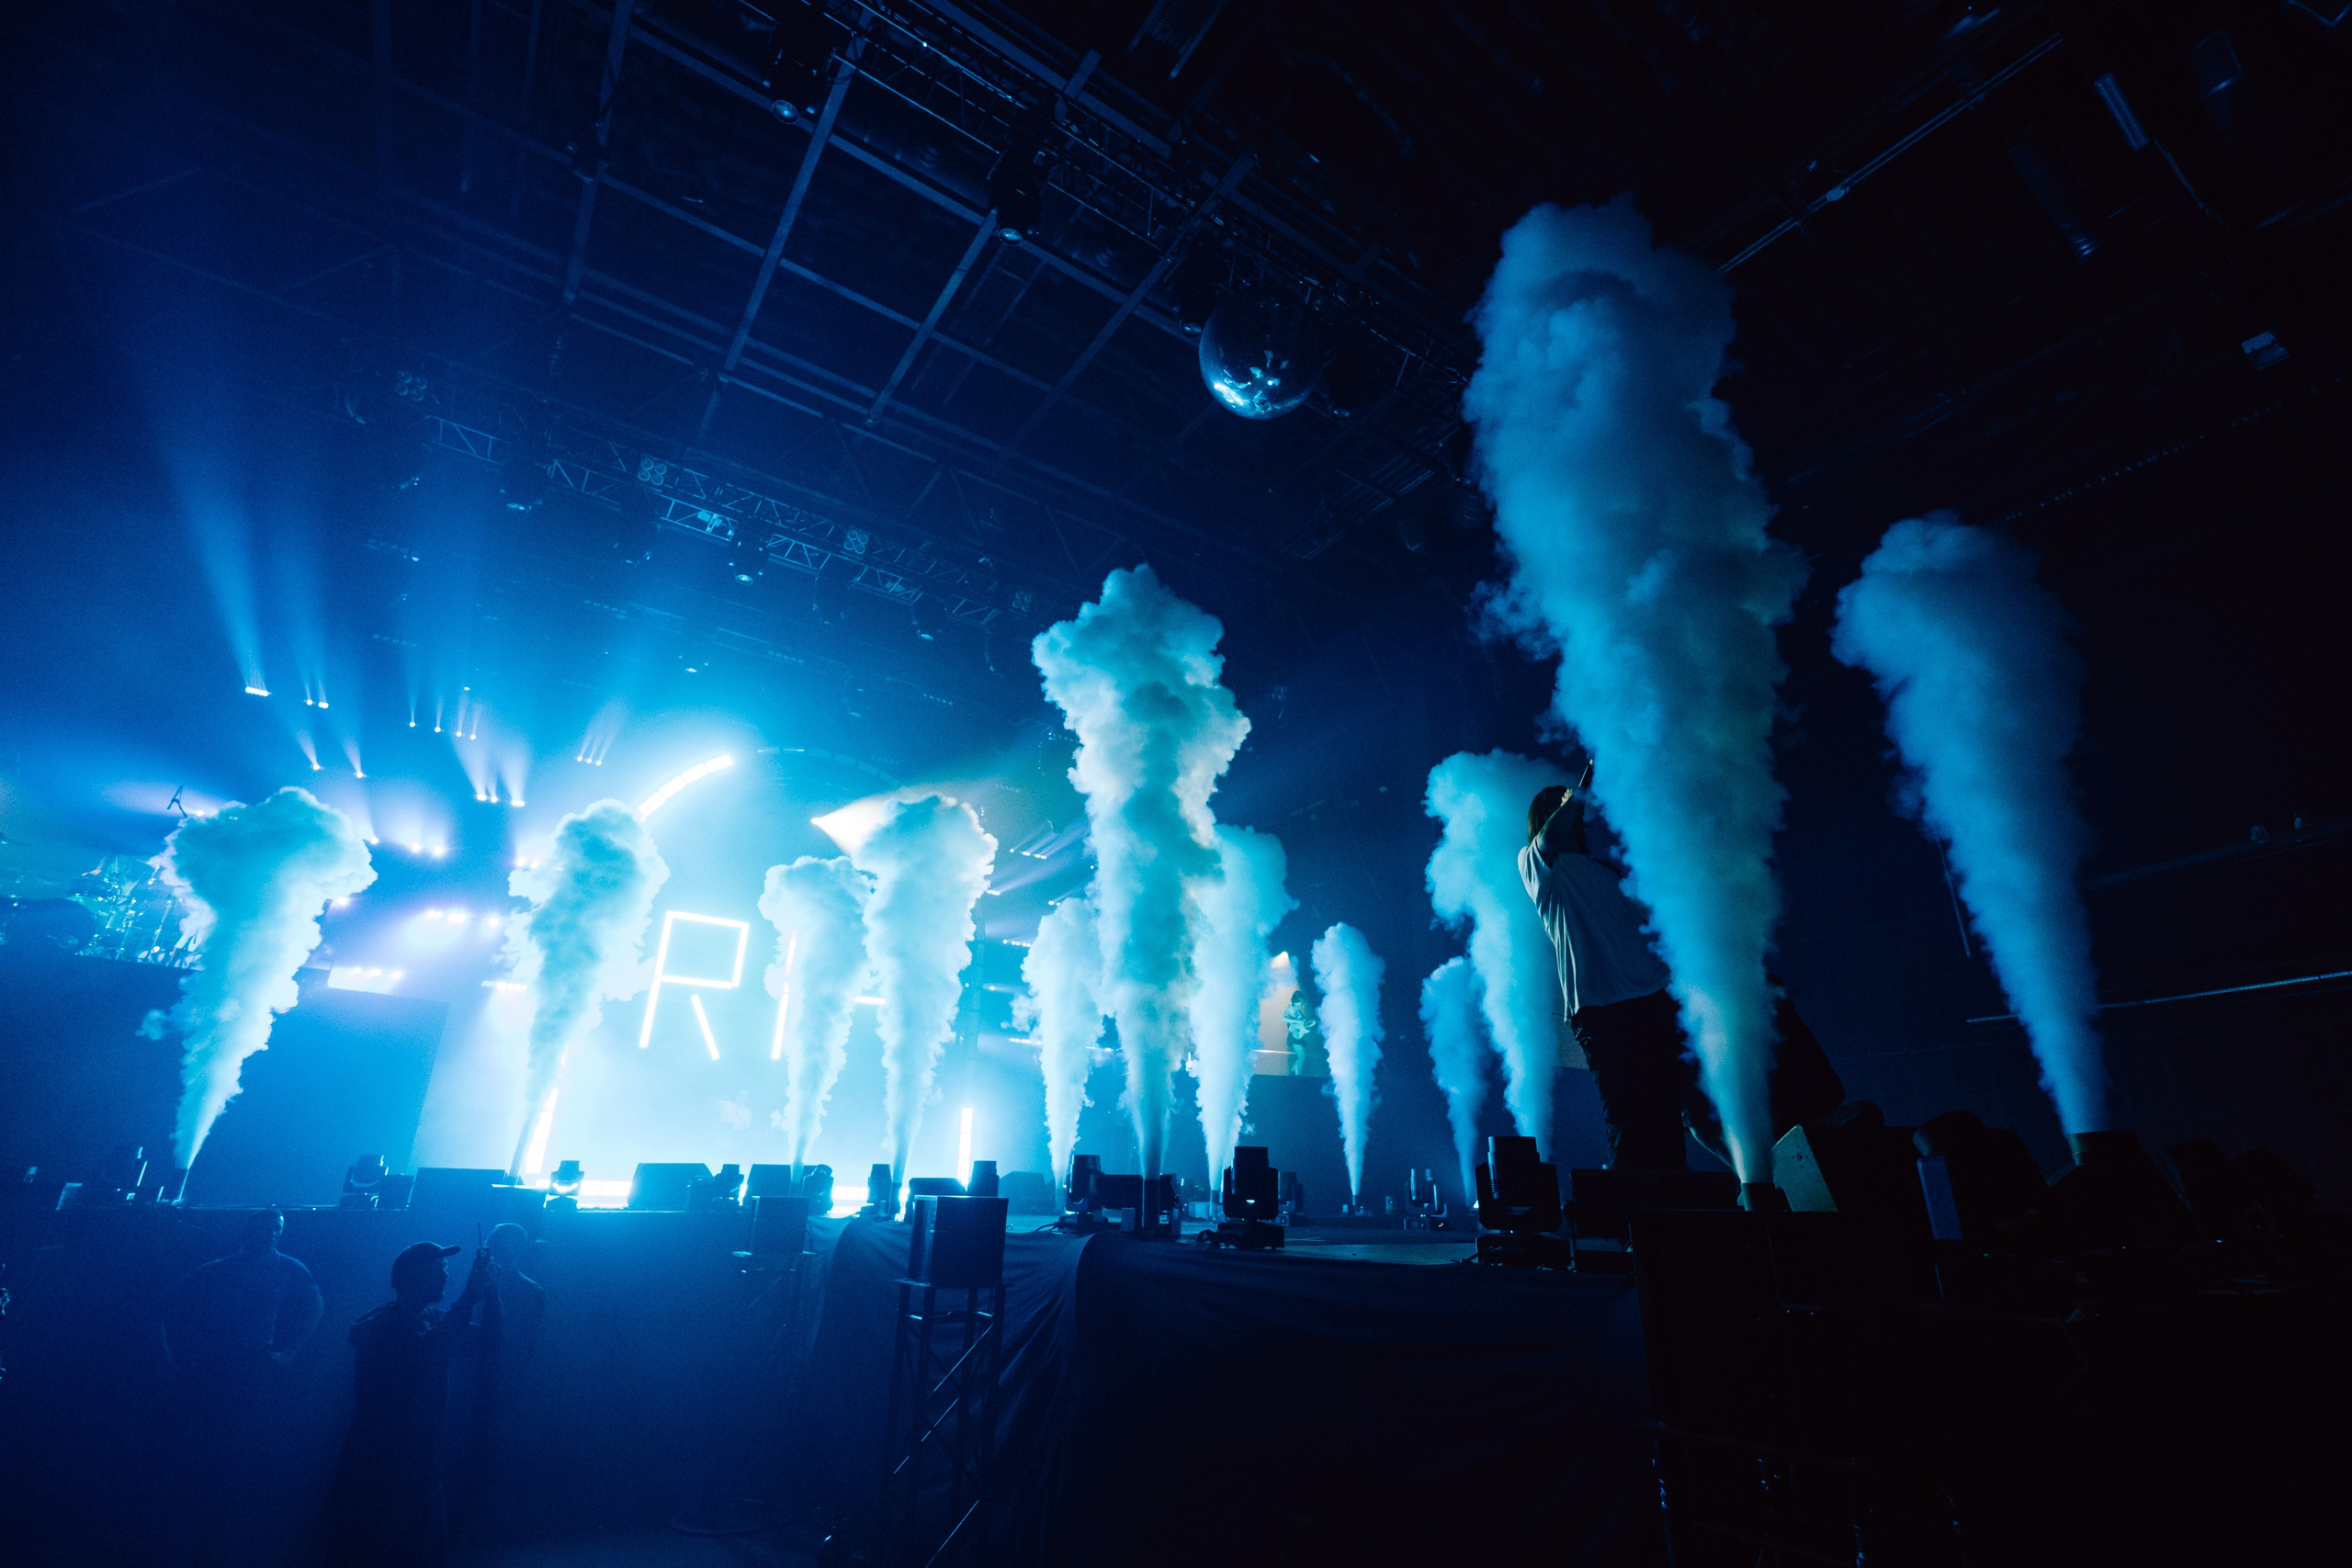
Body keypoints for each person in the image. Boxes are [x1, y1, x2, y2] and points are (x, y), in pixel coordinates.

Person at [1522, 777, 1843, 1171]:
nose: (1575, 810)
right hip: (1607, 1012)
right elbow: (1553, 834)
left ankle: (1765, 1178)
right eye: (1563, 805)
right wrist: (1581, 787)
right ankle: (1641, 1223)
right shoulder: (1539, 867)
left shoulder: (1606, 873)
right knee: (1633, 1118)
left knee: (1702, 1102)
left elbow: (1664, 930)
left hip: (1661, 999)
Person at [317, 1240, 501, 1567]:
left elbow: (486, 1341)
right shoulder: (382, 1326)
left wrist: (492, 1293)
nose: (446, 1275)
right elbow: (428, 1352)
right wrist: (471, 1294)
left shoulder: (432, 1318)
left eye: (446, 1268)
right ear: (412, 1276)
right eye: (438, 1268)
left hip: (418, 1456)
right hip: (380, 1458)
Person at [157, 1208, 324, 1564]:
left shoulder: (288, 1268)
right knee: (207, 1447)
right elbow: (171, 1307)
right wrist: (177, 1359)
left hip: (251, 1367)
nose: (269, 1235)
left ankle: (217, 1534)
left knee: (237, 1448)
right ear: (249, 1230)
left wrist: (289, 1353)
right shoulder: (219, 1268)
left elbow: (315, 1307)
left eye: (275, 1229)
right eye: (264, 1228)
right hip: (215, 1367)